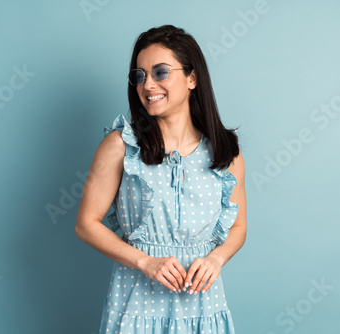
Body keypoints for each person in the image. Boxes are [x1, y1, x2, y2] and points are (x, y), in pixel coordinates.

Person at [75, 24, 247, 333]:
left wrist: (216, 259)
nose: (147, 85)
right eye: (139, 75)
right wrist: (146, 262)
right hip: (135, 304)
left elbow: (238, 226)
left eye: (160, 72)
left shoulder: (225, 152)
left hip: (203, 305)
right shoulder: (119, 146)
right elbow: (86, 224)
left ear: (192, 77)